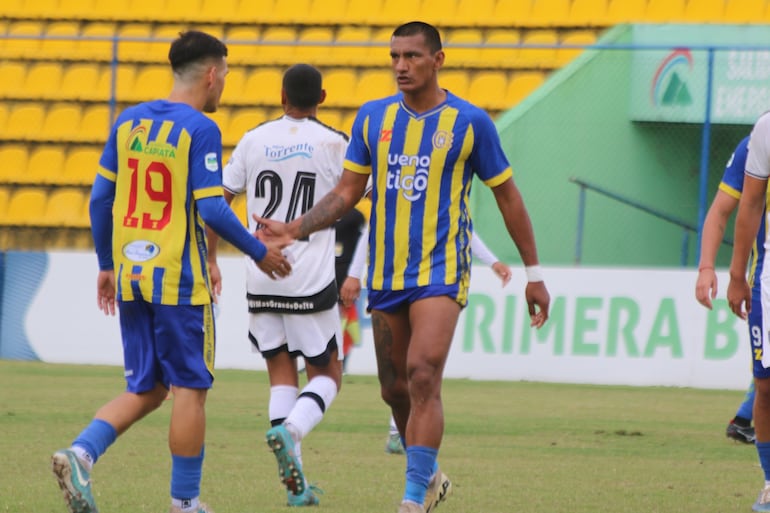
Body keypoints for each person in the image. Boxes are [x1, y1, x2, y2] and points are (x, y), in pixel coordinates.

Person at [256, 21, 550, 513]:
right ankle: (428, 473)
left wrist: (533, 274)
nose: (400, 66)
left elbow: (508, 196)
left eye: (412, 56)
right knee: (393, 390)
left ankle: (412, 501)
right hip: (387, 276)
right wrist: (294, 228)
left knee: (422, 374)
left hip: (442, 270)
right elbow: (347, 193)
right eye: (394, 56)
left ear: (438, 59)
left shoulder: (470, 123)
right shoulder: (372, 119)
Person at [50, 31, 292, 513]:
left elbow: (100, 199)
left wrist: (106, 265)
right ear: (210, 74)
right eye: (224, 74)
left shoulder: (129, 121)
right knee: (191, 388)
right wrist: (257, 251)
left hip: (132, 275)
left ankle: (80, 453)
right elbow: (213, 209)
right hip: (178, 281)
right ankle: (185, 503)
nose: (224, 83)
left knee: (149, 387)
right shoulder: (200, 128)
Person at [207, 63, 348, 507]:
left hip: (261, 269)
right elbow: (351, 200)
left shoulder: (253, 139)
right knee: (327, 374)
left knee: (280, 376)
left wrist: (211, 257)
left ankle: (297, 485)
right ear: (322, 97)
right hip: (308, 277)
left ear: (281, 95)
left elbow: (219, 201)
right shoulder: (335, 142)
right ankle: (291, 431)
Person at [341, 224, 512, 455]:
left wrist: (492, 261)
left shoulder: (443, 197)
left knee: (420, 369)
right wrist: (353, 274)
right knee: (395, 379)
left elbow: (463, 227)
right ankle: (400, 434)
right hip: (392, 283)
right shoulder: (389, 196)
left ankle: (400, 436)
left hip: (431, 286)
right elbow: (372, 230)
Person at [694, 135, 757, 445]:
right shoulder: (757, 143)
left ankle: (744, 418)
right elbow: (721, 211)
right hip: (765, 278)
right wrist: (708, 268)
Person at [727, 123, 770, 511]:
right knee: (767, 386)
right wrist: (737, 274)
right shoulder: (767, 129)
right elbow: (751, 203)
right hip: (769, 280)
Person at [335, 201, 369, 374]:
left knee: (345, 323)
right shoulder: (324, 213)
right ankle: (336, 360)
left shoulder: (355, 217)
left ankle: (341, 361)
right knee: (340, 323)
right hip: (331, 275)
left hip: (346, 276)